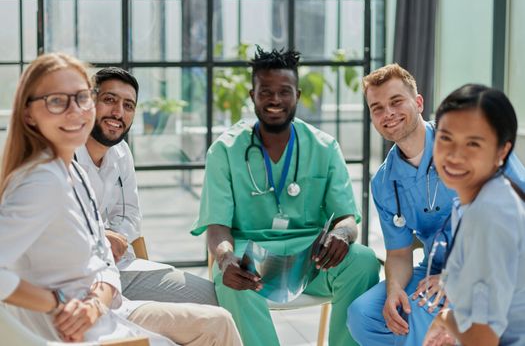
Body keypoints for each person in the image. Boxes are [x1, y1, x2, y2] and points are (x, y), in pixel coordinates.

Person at [191, 46, 380, 346]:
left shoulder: (324, 147)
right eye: (266, 91)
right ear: (252, 95)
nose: (275, 100)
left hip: (313, 260)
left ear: (298, 95)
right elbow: (217, 228)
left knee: (364, 260)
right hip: (251, 260)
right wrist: (225, 258)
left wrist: (342, 234)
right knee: (231, 277)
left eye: (284, 91)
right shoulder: (224, 151)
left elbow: (346, 217)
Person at [0, 52, 173, 345]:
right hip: (77, 329)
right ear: (28, 113)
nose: (74, 111)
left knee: (214, 322)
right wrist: (56, 301)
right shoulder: (42, 181)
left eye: (81, 99)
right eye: (57, 100)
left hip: (102, 308)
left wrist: (95, 302)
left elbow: (104, 259)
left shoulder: (72, 174)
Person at [347, 64, 525, 346]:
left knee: (421, 308)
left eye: (396, 102)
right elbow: (398, 252)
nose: (388, 113)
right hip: (434, 267)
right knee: (364, 315)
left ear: (418, 103)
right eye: (377, 108)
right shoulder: (384, 182)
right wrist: (394, 290)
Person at [74, 67, 243, 345]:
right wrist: (102, 237)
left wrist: (117, 239)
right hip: (84, 276)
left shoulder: (121, 152)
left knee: (217, 297)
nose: (118, 112)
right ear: (88, 103)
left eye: (128, 105)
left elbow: (130, 217)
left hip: (122, 268)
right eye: (109, 100)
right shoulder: (60, 157)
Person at [423, 84, 525, 346]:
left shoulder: (489, 215)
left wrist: (445, 319)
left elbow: (482, 340)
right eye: (446, 138)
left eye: (473, 143)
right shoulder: (481, 200)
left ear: (502, 151)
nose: (455, 156)